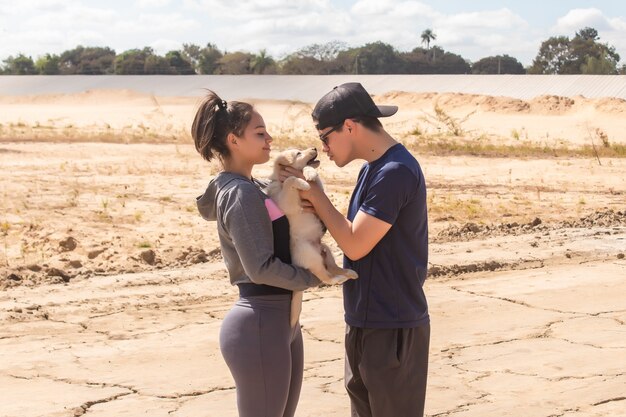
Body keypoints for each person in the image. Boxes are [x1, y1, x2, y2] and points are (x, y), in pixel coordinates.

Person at [281, 82, 430, 417]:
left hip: (392, 327)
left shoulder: (395, 172)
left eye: (325, 136)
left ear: (349, 126)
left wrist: (317, 197)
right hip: (365, 321)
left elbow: (355, 244)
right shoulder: (372, 170)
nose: (323, 148)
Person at [192, 90, 321, 417]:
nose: (270, 139)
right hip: (261, 321)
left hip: (282, 321)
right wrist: (311, 277)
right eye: (260, 134)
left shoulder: (254, 188)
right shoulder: (239, 195)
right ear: (234, 140)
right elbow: (260, 268)